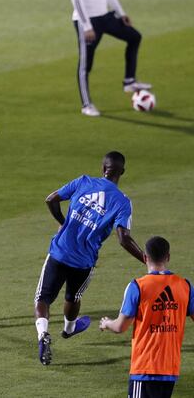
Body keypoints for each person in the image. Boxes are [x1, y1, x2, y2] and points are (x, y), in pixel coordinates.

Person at [34, 151, 145, 365]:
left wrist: (64, 222)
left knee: (43, 298)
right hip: (84, 261)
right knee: (73, 297)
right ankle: (69, 328)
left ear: (103, 168)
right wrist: (145, 258)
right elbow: (123, 238)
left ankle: (43, 334)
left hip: (59, 252)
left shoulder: (83, 181)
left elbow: (51, 199)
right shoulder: (123, 202)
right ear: (122, 172)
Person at [69, 0, 152, 117]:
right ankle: (86, 105)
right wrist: (87, 26)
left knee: (134, 37)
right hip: (87, 21)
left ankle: (129, 81)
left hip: (106, 16)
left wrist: (120, 12)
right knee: (85, 65)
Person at [100, 236, 194, 398]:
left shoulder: (137, 286)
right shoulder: (185, 286)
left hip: (145, 367)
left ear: (145, 257)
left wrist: (106, 323)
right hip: (170, 369)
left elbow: (120, 327)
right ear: (168, 257)